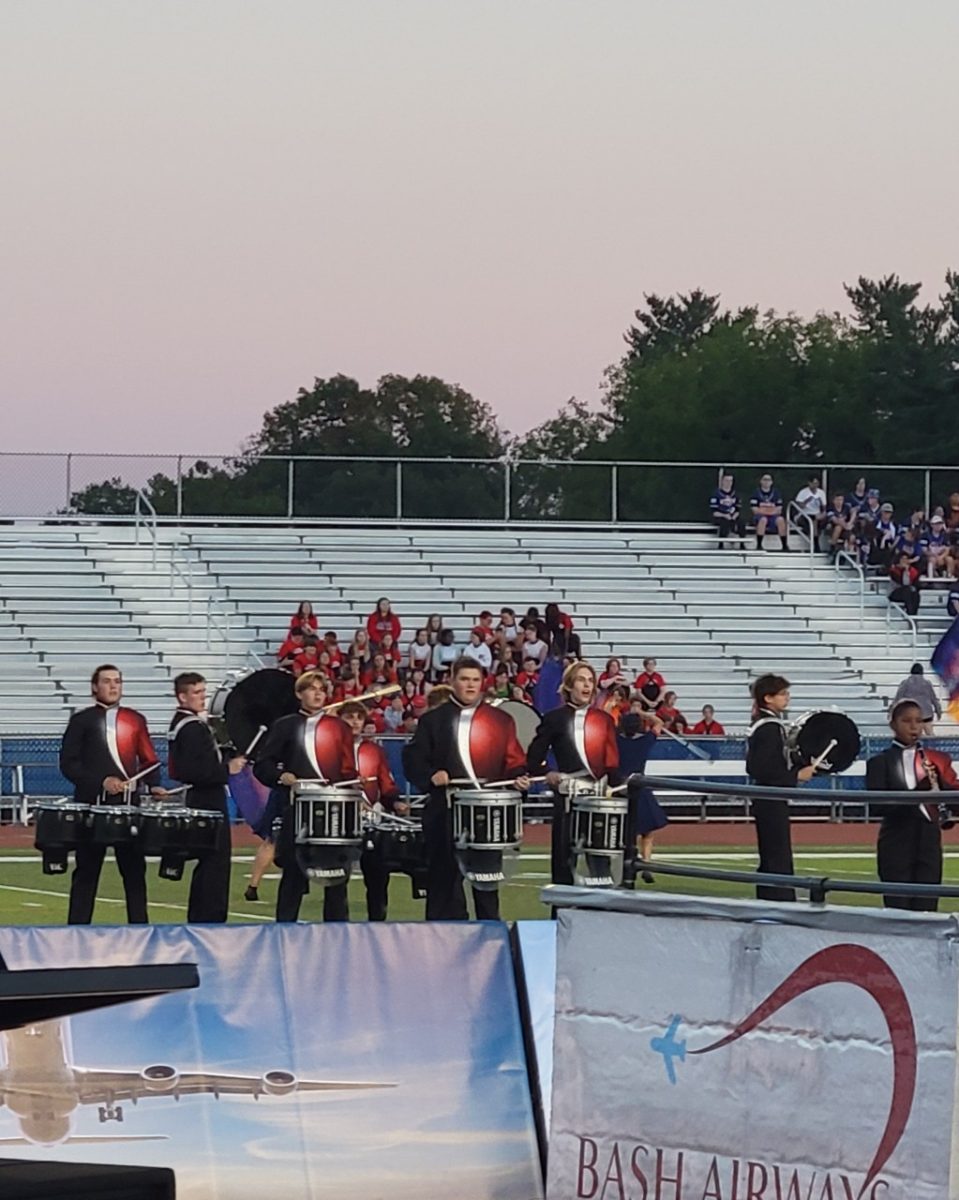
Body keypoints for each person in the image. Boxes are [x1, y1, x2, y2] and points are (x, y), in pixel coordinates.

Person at [402, 656, 529, 920]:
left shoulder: (501, 720)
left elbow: (514, 760)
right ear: (452, 681)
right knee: (443, 882)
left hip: (486, 814)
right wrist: (431, 775)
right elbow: (413, 760)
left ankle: (490, 937)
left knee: (486, 882)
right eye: (464, 679)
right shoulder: (433, 720)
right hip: (444, 812)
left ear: (482, 683)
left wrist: (518, 778)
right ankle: (442, 939)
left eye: (475, 680)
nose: (470, 686)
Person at [58, 664, 166, 925]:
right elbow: (69, 763)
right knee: (86, 872)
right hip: (91, 809)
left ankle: (140, 930)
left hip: (128, 808)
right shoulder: (81, 720)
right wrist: (101, 782)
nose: (113, 686)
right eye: (106, 681)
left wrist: (153, 785)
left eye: (117, 681)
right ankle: (77, 930)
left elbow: (149, 759)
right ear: (95, 687)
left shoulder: (135, 719)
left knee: (134, 873)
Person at [253, 671, 358, 923]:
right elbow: (262, 765)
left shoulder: (339, 728)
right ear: (299, 694)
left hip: (334, 811)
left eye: (322, 688)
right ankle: (285, 928)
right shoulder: (285, 725)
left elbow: (348, 769)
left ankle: (337, 930)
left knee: (336, 875)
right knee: (293, 873)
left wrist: (352, 791)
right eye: (312, 688)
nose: (318, 693)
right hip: (297, 809)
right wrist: (282, 776)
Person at [526, 661, 622, 888]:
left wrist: (618, 790)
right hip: (568, 798)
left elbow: (612, 763)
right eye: (581, 680)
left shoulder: (605, 720)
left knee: (600, 861)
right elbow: (533, 758)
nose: (586, 685)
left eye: (590, 680)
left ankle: (601, 912)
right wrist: (548, 772)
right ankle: (560, 915)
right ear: (569, 686)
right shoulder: (554, 719)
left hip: (598, 799)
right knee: (564, 861)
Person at [167, 672, 246, 923]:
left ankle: (202, 916)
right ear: (182, 696)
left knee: (209, 861)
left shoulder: (186, 723)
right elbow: (195, 770)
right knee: (216, 860)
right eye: (197, 693)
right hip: (206, 798)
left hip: (201, 795)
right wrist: (227, 769)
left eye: (203, 692)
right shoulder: (191, 727)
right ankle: (211, 918)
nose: (203, 697)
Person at [866, 699, 959, 912]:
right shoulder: (880, 762)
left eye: (919, 721)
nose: (914, 726)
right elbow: (878, 806)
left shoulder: (936, 761)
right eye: (907, 721)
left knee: (928, 907)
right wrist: (919, 793)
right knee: (898, 907)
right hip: (896, 842)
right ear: (893, 724)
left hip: (928, 841)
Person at [744, 674, 816, 902]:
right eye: (783, 694)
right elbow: (761, 768)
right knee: (778, 856)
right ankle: (780, 901)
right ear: (768, 698)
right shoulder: (769, 727)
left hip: (767, 798)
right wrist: (796, 775)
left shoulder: (764, 724)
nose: (787, 698)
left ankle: (770, 899)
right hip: (770, 799)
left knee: (771, 856)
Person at [339, 701, 407, 921]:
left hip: (371, 820)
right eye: (349, 717)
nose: (355, 722)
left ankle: (377, 921)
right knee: (337, 878)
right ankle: (337, 924)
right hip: (338, 818)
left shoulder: (374, 750)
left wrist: (395, 801)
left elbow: (385, 782)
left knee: (378, 875)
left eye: (359, 717)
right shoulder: (329, 748)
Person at [617, 712, 667, 884]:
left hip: (621, 787)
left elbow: (606, 718)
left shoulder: (616, 740)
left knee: (628, 831)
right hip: (640, 786)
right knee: (648, 831)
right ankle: (646, 863)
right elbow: (659, 723)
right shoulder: (644, 741)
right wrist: (643, 713)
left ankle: (631, 863)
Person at [892, 663, 942, 736]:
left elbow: (897, 699)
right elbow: (934, 699)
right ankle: (932, 745)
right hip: (927, 715)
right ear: (922, 672)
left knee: (913, 736)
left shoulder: (905, 683)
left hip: (912, 716)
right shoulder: (927, 684)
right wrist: (938, 711)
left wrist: (892, 713)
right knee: (930, 734)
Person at [750, 473, 789, 551]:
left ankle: (784, 545)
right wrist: (769, 511)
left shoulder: (776, 493)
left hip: (772, 516)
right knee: (763, 519)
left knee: (780, 520)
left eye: (768, 480)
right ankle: (759, 545)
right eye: (764, 479)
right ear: (761, 481)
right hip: (760, 517)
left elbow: (779, 509)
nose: (766, 482)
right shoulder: (756, 493)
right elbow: (755, 510)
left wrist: (765, 511)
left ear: (772, 482)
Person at [709, 472, 746, 549]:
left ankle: (742, 543)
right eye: (726, 480)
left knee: (741, 523)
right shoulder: (716, 494)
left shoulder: (736, 494)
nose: (728, 483)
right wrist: (724, 515)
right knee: (724, 523)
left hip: (733, 515)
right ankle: (721, 544)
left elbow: (738, 509)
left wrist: (734, 516)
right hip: (720, 515)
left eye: (730, 481)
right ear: (722, 481)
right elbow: (714, 511)